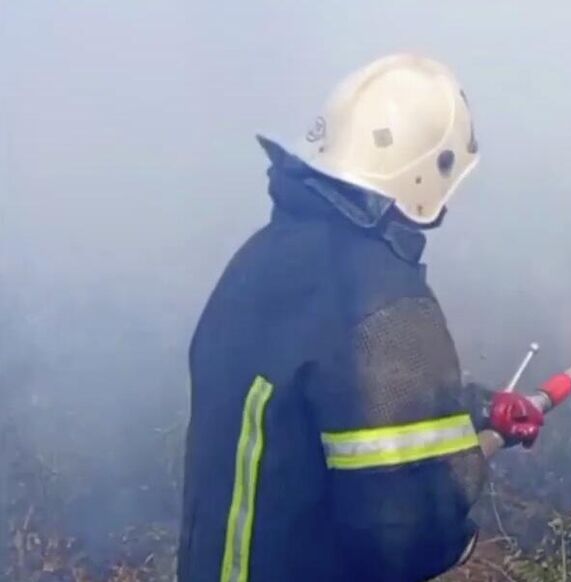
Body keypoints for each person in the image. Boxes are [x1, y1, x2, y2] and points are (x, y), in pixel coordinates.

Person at [177, 53, 546, 582]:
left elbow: (324, 399)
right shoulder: (382, 305)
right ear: (429, 173)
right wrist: (457, 524)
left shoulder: (257, 263)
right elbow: (410, 534)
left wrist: (477, 408)